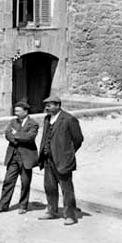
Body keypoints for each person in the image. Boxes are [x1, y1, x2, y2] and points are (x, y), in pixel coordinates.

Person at [38, 95, 85, 225]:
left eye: (50, 105)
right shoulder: (47, 119)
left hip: (63, 160)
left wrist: (68, 153)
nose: (47, 107)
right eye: (46, 105)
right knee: (50, 186)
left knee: (66, 189)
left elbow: (78, 139)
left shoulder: (69, 119)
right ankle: (52, 211)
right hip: (48, 159)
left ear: (58, 106)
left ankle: (70, 215)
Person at [0, 100, 39, 214]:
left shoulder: (33, 123)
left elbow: (30, 137)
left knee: (25, 183)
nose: (16, 113)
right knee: (8, 181)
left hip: (26, 158)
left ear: (25, 111)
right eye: (15, 111)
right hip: (13, 156)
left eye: (18, 111)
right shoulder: (13, 122)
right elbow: (7, 134)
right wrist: (17, 136)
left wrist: (16, 134)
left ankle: (23, 206)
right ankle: (3, 205)